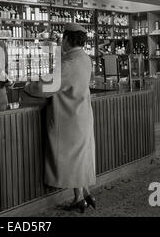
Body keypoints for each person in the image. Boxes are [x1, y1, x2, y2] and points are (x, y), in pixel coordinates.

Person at [24, 23, 96, 214]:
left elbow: (44, 88)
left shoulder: (68, 63)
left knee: (70, 158)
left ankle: (80, 197)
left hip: (69, 118)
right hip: (82, 115)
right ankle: (82, 195)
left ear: (66, 39)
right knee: (80, 157)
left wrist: (28, 86)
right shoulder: (85, 58)